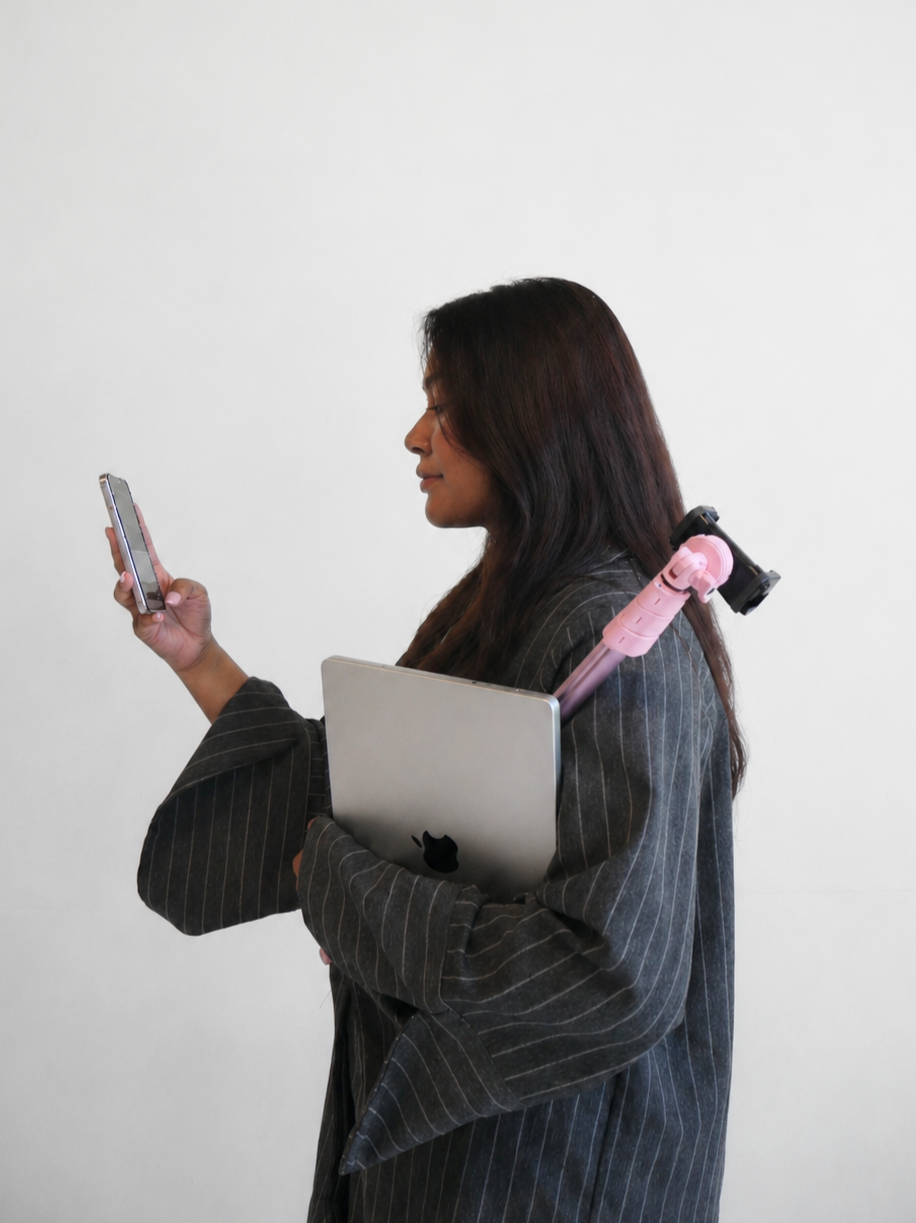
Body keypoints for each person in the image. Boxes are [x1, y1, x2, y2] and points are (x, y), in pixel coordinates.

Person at [107, 279, 743, 1223]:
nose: (416, 437)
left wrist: (346, 887)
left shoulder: (624, 642)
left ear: (530, 421)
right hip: (459, 1161)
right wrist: (198, 656)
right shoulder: (521, 602)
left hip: (546, 1173)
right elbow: (376, 791)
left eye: (444, 410)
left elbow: (607, 968)